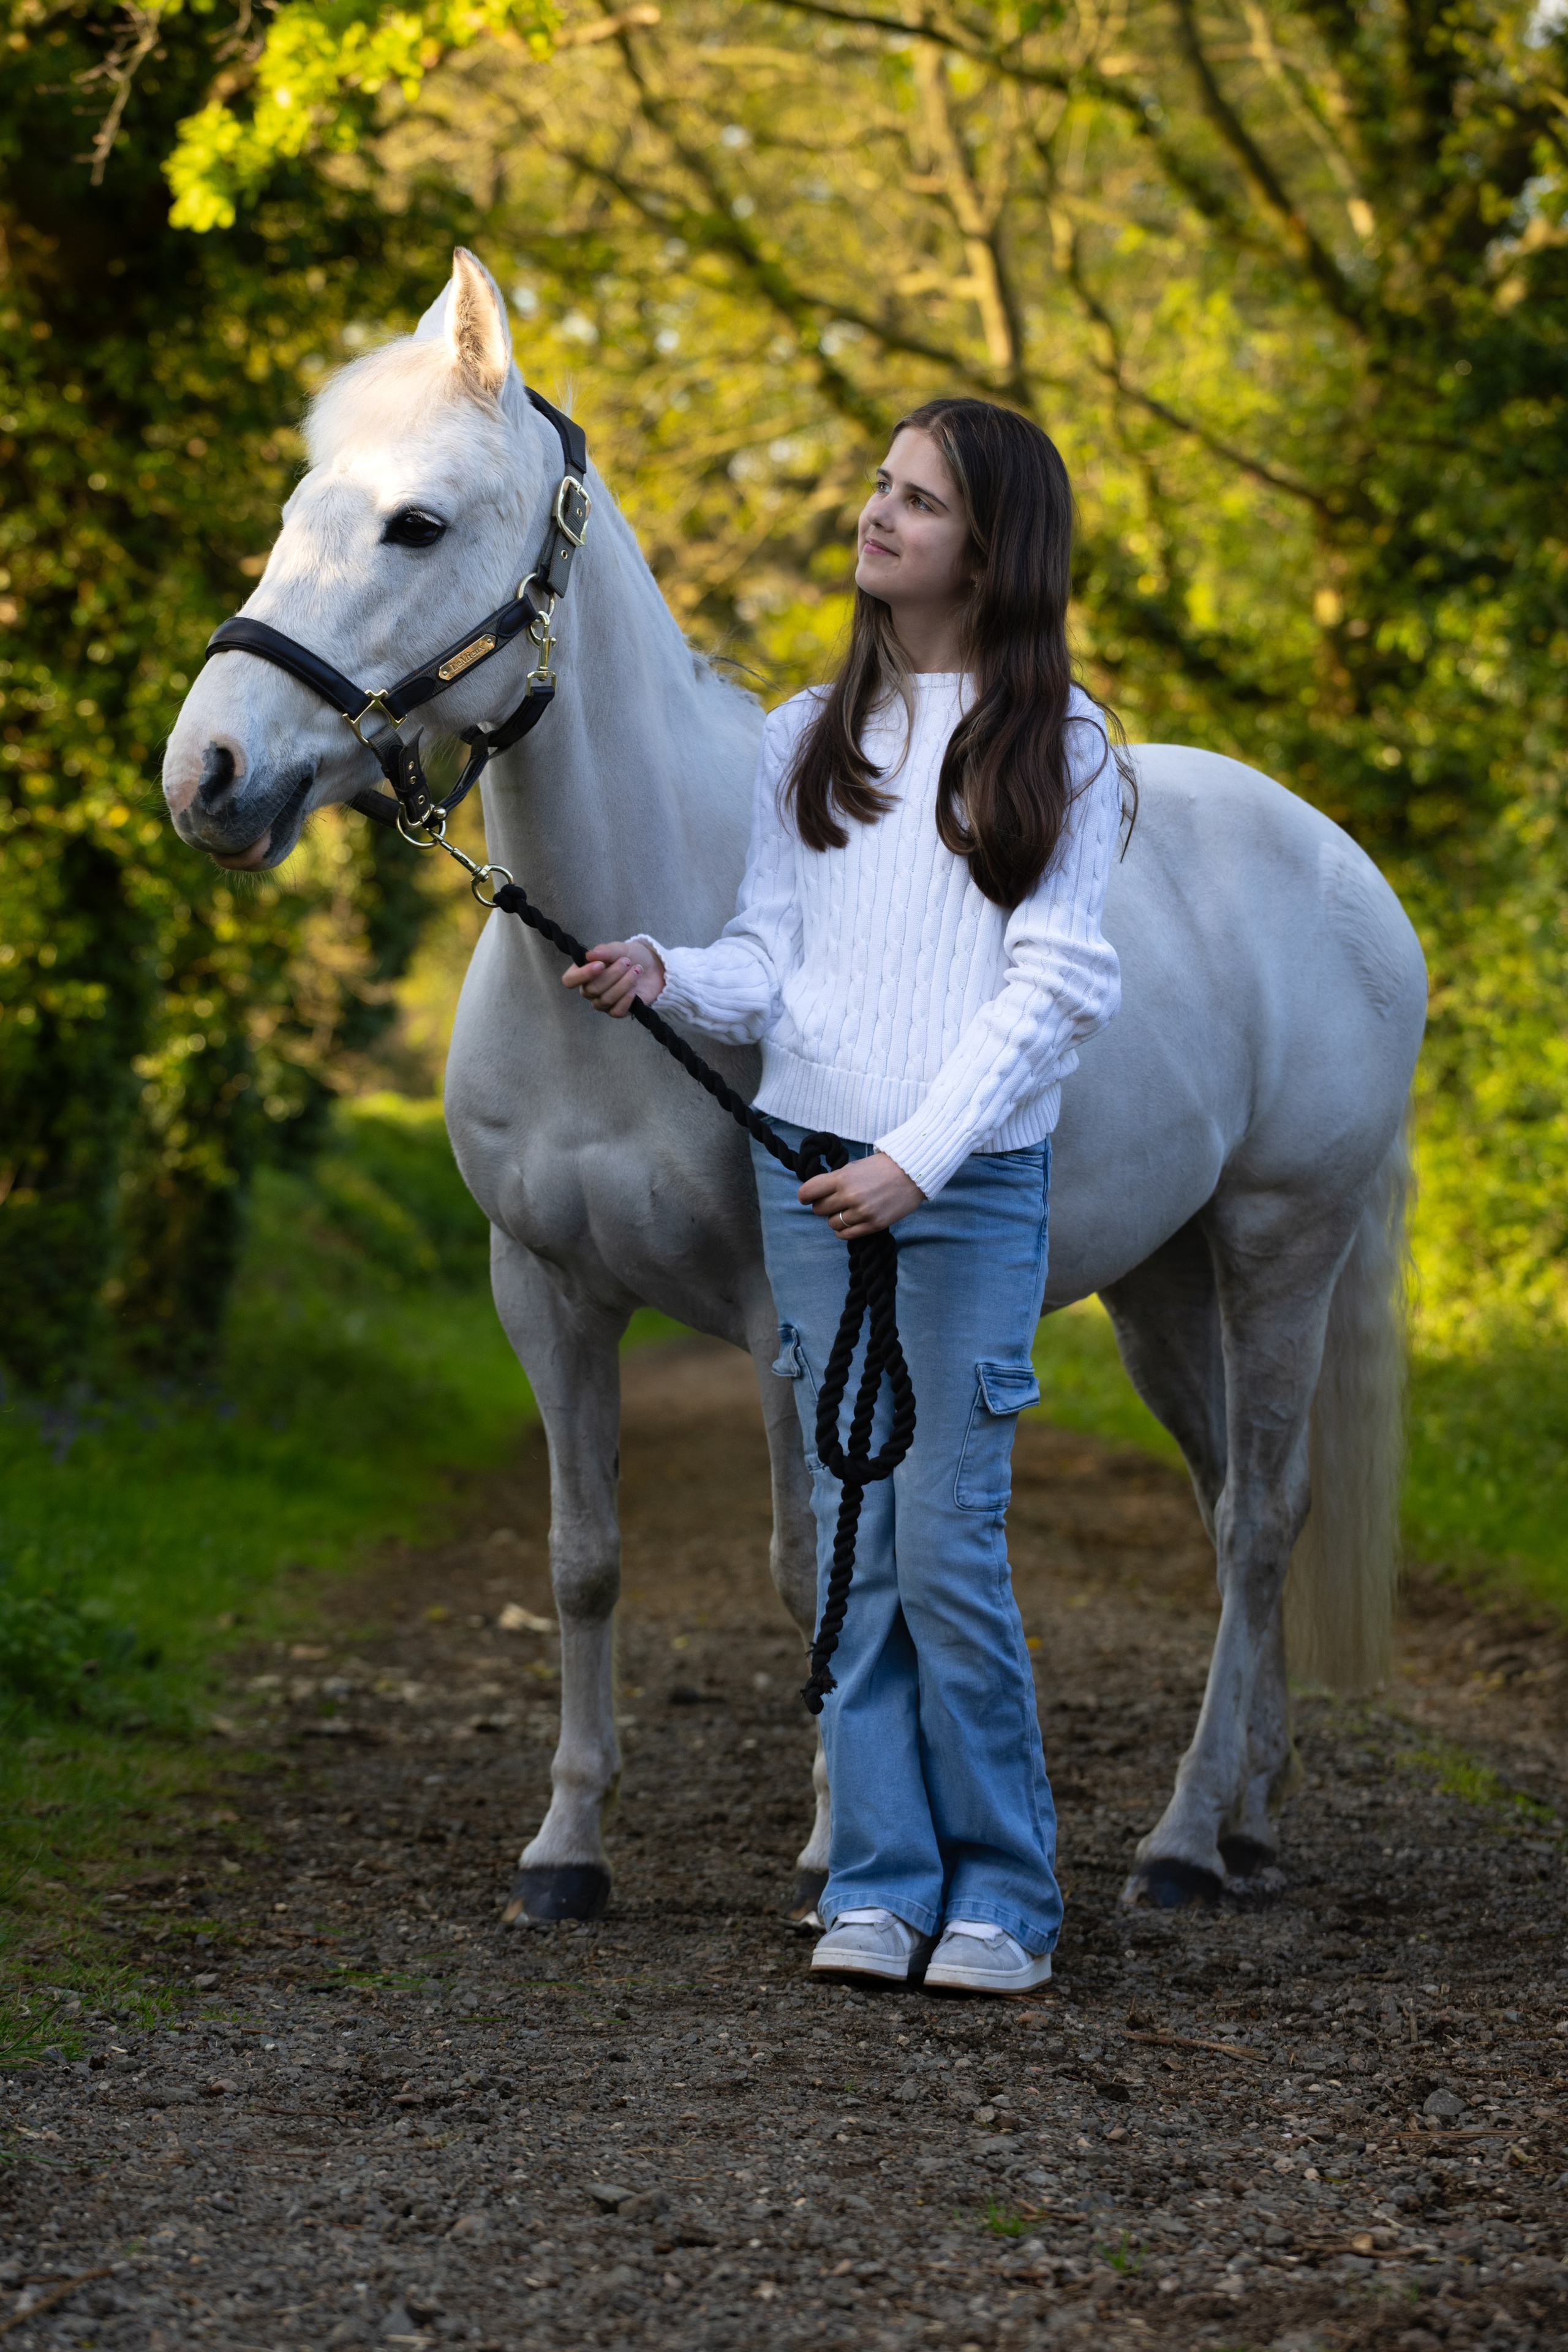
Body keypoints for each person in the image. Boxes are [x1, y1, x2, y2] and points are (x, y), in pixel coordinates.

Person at [564, 398, 1127, 1996]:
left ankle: (1007, 1896)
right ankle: (878, 1883)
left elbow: (1056, 989)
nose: (876, 515)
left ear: (992, 546)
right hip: (810, 1181)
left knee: (946, 1549)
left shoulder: (1062, 745)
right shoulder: (804, 734)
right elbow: (776, 961)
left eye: (921, 501)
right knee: (854, 1544)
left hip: (957, 1190)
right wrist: (670, 968)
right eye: (881, 485)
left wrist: (918, 1159)